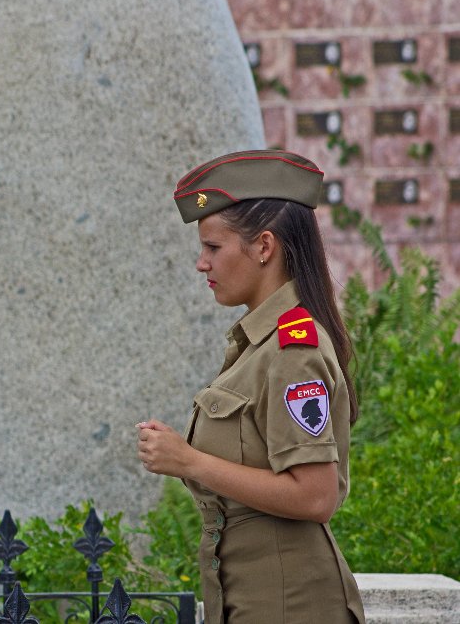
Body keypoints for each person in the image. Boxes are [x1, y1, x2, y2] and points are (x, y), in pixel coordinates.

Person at [136, 150, 365, 624]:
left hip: (291, 605)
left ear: (264, 247)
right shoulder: (258, 346)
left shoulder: (291, 350)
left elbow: (315, 497)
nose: (202, 264)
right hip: (257, 599)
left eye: (213, 248)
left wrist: (190, 460)